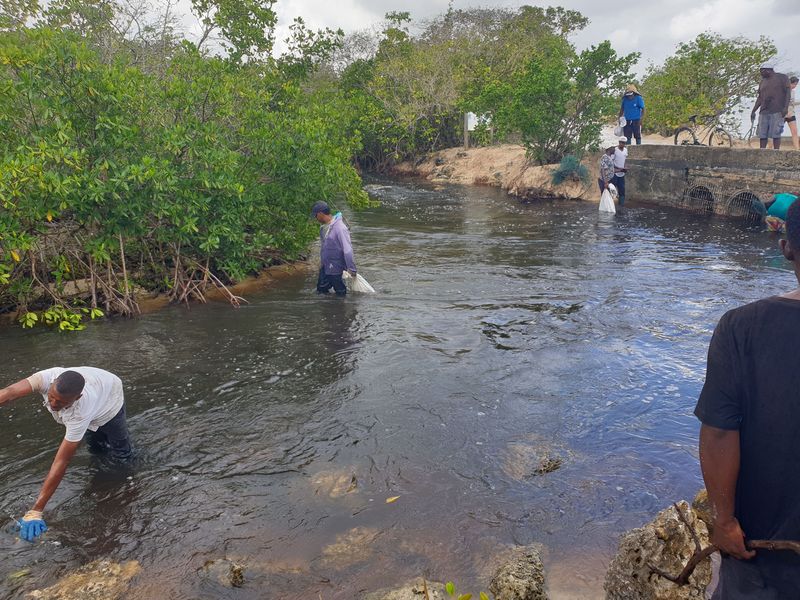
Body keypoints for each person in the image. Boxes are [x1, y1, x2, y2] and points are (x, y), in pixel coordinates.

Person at [695, 199, 800, 598]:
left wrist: (724, 520)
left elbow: (720, 433)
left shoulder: (740, 329)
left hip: (759, 550)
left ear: (786, 247)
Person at [0, 367, 132, 541]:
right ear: (52, 384)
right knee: (96, 449)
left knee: (121, 455)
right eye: (52, 397)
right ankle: (101, 479)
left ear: (77, 398)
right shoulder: (45, 378)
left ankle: (129, 485)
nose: (54, 404)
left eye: (61, 403)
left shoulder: (80, 412)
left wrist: (36, 510)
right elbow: (10, 392)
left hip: (110, 399)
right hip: (97, 385)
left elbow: (61, 461)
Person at [311, 201, 356, 297]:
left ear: (320, 214)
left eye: (316, 216)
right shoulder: (324, 227)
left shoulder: (340, 228)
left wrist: (351, 269)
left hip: (336, 268)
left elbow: (347, 250)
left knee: (340, 294)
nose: (315, 218)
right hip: (326, 267)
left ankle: (341, 310)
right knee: (320, 291)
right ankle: (328, 310)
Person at [751, 65, 791, 150]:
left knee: (776, 133)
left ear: (768, 70)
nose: (761, 73)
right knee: (762, 134)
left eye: (762, 71)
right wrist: (753, 110)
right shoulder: (762, 81)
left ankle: (776, 151)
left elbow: (788, 93)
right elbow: (760, 97)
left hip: (777, 109)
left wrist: (785, 107)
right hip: (764, 111)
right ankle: (762, 151)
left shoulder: (782, 78)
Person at [611, 137, 628, 206]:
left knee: (622, 190)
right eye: (621, 142)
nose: (622, 144)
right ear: (619, 142)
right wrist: (619, 168)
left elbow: (625, 160)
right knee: (612, 189)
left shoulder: (626, 150)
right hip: (615, 173)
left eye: (624, 143)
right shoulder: (614, 150)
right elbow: (611, 162)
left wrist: (625, 167)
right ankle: (610, 204)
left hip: (622, 173)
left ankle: (621, 204)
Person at [786, 76, 798, 151]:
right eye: (793, 84)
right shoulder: (783, 91)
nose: (794, 86)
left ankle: (797, 149)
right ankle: (771, 148)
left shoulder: (793, 92)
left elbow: (792, 103)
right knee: (777, 132)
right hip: (783, 114)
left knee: (795, 131)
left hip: (791, 114)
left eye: (796, 84)